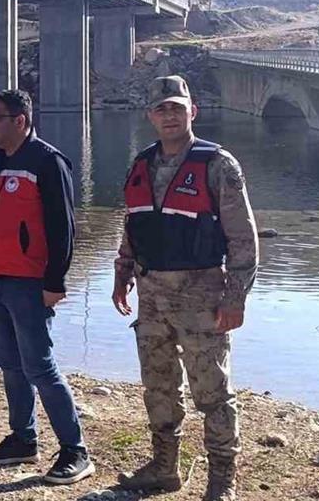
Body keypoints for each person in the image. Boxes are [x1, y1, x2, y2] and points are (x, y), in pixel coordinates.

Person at [112, 75, 259, 501]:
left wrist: (236, 298)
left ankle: (221, 480)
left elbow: (243, 238)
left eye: (177, 107)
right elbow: (132, 225)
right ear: (150, 116)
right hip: (152, 294)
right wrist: (122, 275)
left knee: (212, 391)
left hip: (203, 296)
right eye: (162, 109)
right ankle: (163, 468)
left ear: (192, 111)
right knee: (158, 386)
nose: (169, 115)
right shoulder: (141, 164)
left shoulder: (218, 165)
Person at [0, 89, 95, 485]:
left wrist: (55, 281)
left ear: (20, 120)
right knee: (10, 365)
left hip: (29, 281)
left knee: (39, 366)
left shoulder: (47, 161)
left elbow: (63, 227)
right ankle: (23, 439)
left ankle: (75, 450)